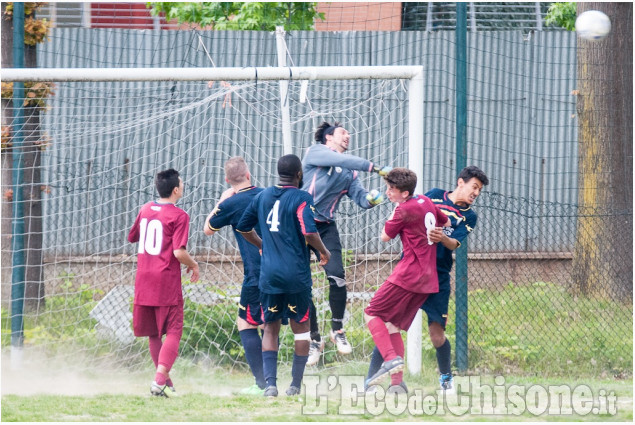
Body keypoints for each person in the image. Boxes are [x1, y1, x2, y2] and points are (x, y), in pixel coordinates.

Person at [366, 165, 489, 392]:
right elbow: (408, 210)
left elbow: (455, 243)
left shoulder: (469, 216)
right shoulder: (432, 196)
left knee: (436, 334)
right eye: (474, 187)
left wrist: (442, 237)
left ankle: (446, 380)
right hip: (411, 274)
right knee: (390, 323)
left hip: (438, 277)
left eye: (479, 190)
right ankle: (373, 380)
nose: (476, 193)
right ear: (460, 182)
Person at [236, 154, 331, 397]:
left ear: (279, 173)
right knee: (301, 329)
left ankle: (270, 386)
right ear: (299, 174)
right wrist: (323, 250)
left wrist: (260, 244)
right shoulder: (301, 197)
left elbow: (243, 226)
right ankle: (295, 386)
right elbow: (309, 232)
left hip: (268, 276)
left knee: (270, 327)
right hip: (296, 276)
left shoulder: (262, 195)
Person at [301, 120, 391, 365]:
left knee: (338, 276)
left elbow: (360, 198)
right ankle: (313, 338)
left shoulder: (350, 173)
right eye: (342, 132)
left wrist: (374, 199)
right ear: (329, 138)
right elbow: (340, 160)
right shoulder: (315, 152)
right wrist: (374, 167)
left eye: (349, 133)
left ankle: (337, 330)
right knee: (300, 283)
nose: (347, 136)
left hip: (326, 226)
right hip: (300, 223)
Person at [364, 167, 450, 391]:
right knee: (392, 325)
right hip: (428, 278)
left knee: (371, 313)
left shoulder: (402, 210)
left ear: (404, 193)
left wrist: (395, 212)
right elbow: (446, 222)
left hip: (409, 274)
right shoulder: (426, 200)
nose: (388, 192)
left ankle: (391, 358)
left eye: (392, 189)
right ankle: (397, 384)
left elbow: (384, 237)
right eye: (387, 187)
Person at [127, 168, 200, 398]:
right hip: (165, 281)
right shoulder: (179, 216)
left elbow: (133, 237)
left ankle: (165, 382)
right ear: (176, 190)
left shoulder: (145, 209)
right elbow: (179, 252)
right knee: (175, 331)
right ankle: (159, 381)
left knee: (153, 333)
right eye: (182, 182)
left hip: (143, 279)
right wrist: (194, 264)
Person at [203, 157, 266, 395]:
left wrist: (222, 200)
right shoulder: (268, 195)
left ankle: (263, 384)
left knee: (246, 322)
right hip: (281, 268)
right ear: (249, 175)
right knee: (270, 324)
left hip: (256, 274)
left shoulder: (232, 203)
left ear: (228, 180)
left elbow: (207, 229)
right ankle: (274, 381)